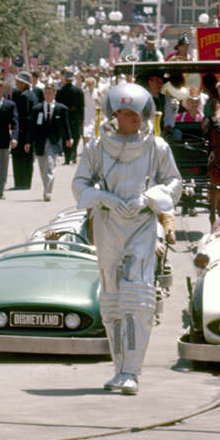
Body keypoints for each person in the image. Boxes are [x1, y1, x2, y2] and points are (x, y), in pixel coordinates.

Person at [73, 82, 181, 395]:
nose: (129, 119)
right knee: (111, 298)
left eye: (135, 113)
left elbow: (173, 181)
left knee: (137, 296)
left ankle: (132, 370)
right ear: (114, 113)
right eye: (123, 113)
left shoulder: (156, 147)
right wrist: (103, 197)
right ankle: (118, 368)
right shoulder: (96, 147)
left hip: (141, 226)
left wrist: (148, 198)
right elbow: (80, 183)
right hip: (108, 226)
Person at [30, 82, 74, 202]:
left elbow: (66, 125)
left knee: (50, 165)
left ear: (55, 94)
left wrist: (68, 138)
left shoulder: (61, 109)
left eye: (50, 93)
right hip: (40, 142)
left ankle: (48, 192)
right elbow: (32, 127)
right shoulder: (37, 109)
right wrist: (28, 141)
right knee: (43, 167)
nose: (48, 95)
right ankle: (46, 186)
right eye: (46, 93)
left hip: (54, 142)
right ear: (44, 94)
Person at [11, 73, 37, 190]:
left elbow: (23, 116)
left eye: (18, 82)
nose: (16, 84)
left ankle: (20, 182)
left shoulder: (24, 97)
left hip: (22, 131)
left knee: (20, 158)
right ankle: (26, 182)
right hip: (30, 131)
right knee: (27, 158)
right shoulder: (32, 95)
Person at [55, 70, 85, 164]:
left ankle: (67, 158)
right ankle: (74, 155)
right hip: (75, 116)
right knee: (76, 136)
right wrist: (82, 118)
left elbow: (57, 105)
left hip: (64, 115)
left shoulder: (60, 91)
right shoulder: (78, 90)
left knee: (65, 136)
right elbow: (81, 106)